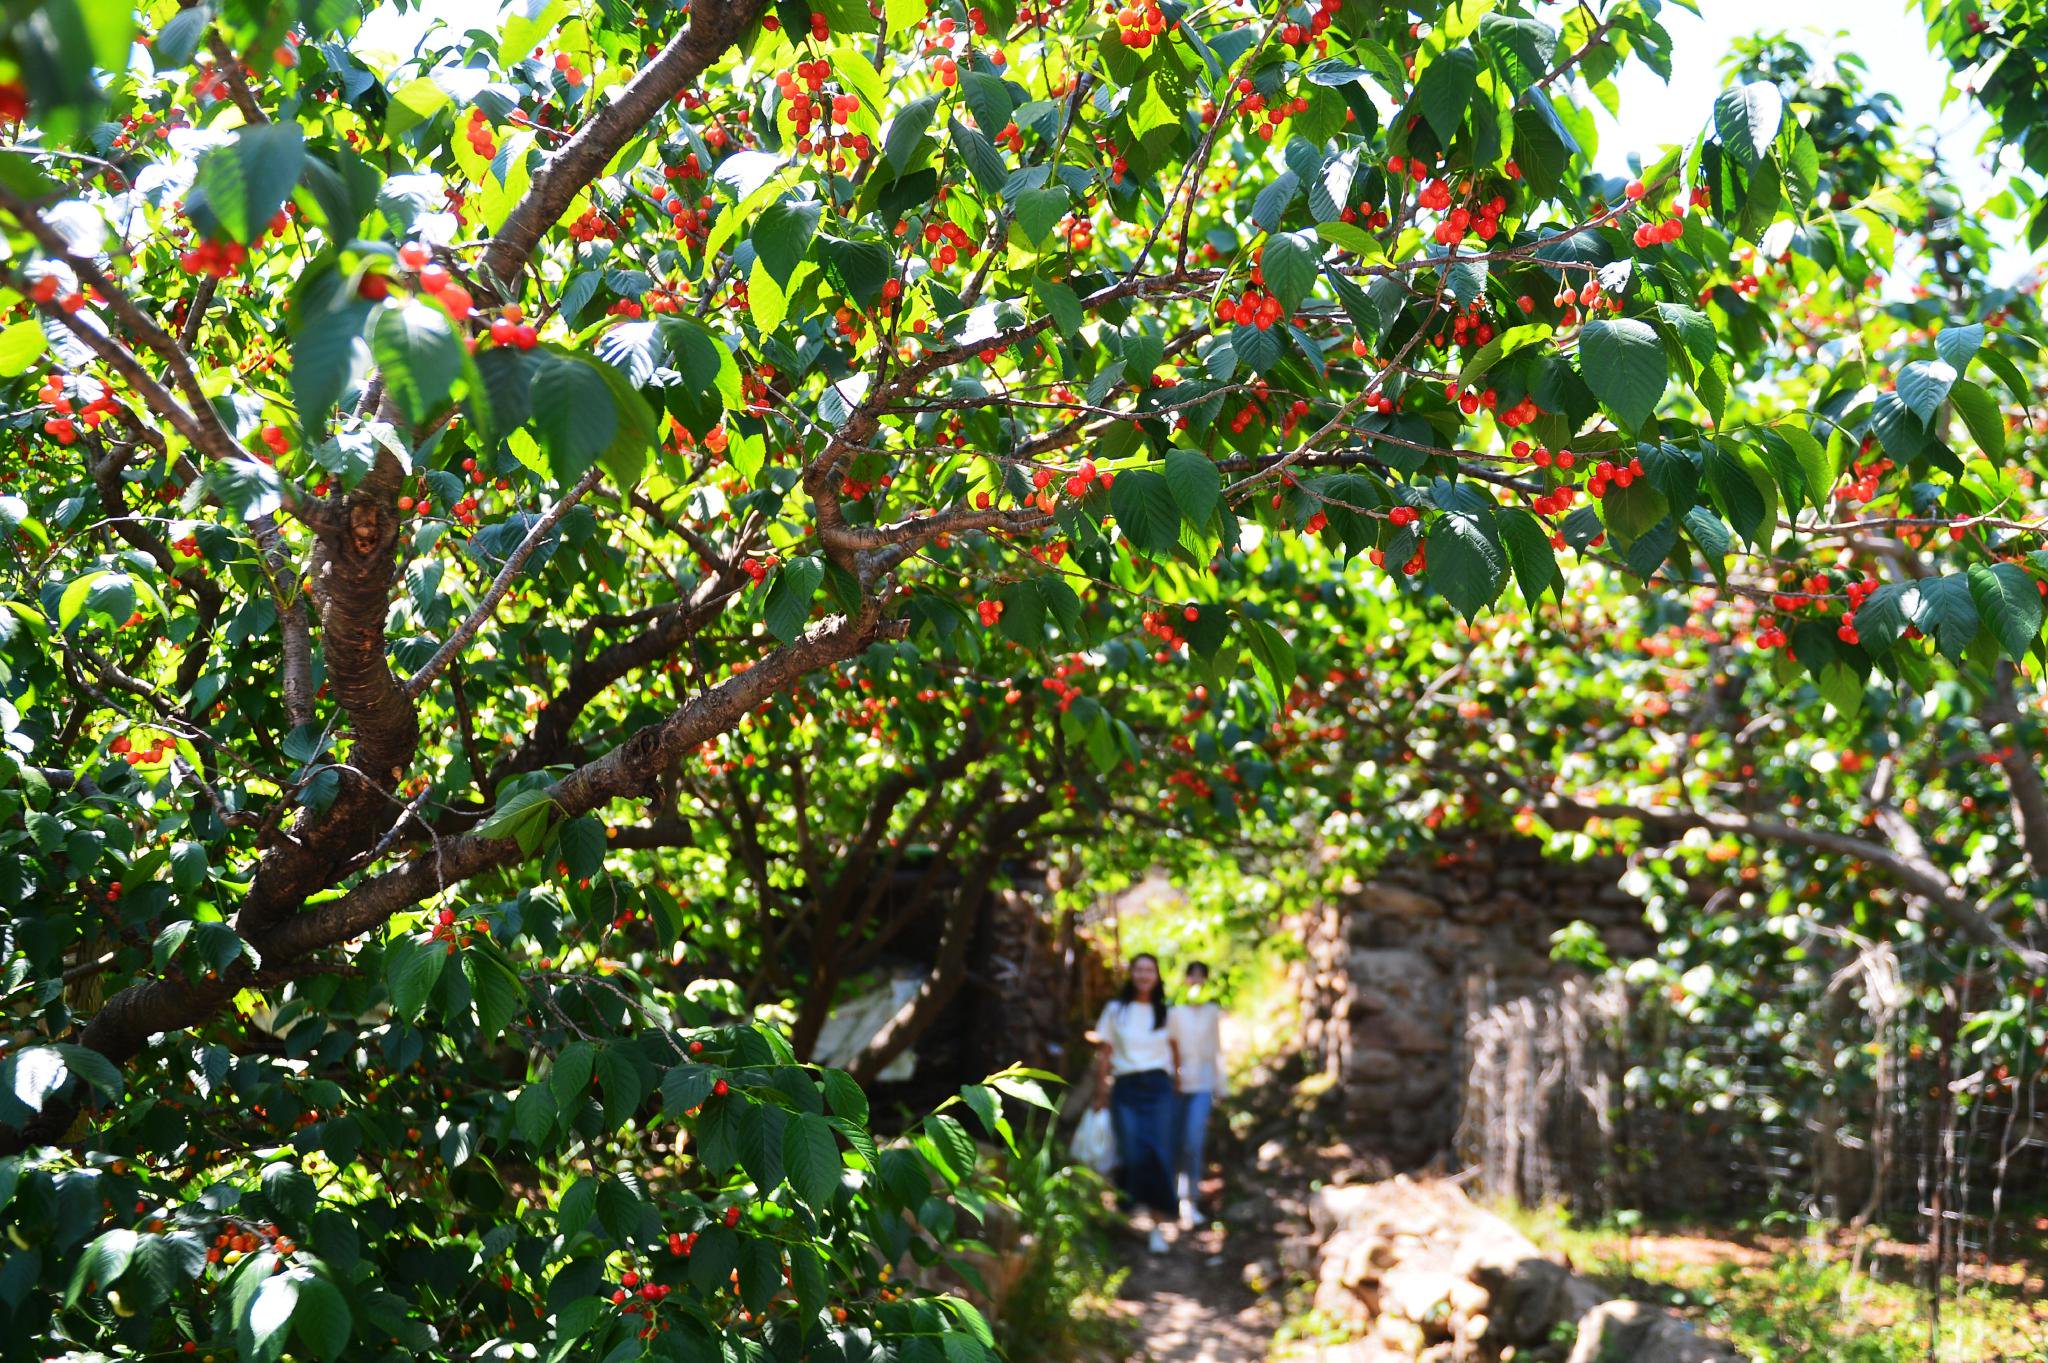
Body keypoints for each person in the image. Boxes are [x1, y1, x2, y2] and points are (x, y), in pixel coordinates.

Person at [1093, 953, 1178, 1252]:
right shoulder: (1116, 1011)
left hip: (1158, 1088)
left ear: (1157, 976)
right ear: (1131, 974)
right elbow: (1105, 1053)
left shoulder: (1167, 1013)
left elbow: (1176, 1050)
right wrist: (1100, 1093)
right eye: (1139, 970)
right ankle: (1127, 1210)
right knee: (1130, 1152)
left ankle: (1158, 1226)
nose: (1144, 975)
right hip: (1126, 1088)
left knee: (1158, 1154)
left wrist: (1176, 1083)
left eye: (1149, 970)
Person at [1167, 961, 1224, 1227]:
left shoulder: (1212, 1012)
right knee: (1175, 1140)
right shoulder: (1175, 1013)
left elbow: (1216, 1048)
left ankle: (1189, 1199)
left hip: (1202, 1084)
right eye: (1193, 976)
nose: (1197, 981)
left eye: (1202, 976)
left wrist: (1220, 1084)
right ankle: (1169, 1197)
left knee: (1193, 1139)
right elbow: (1168, 1048)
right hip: (1176, 1085)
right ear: (1186, 980)